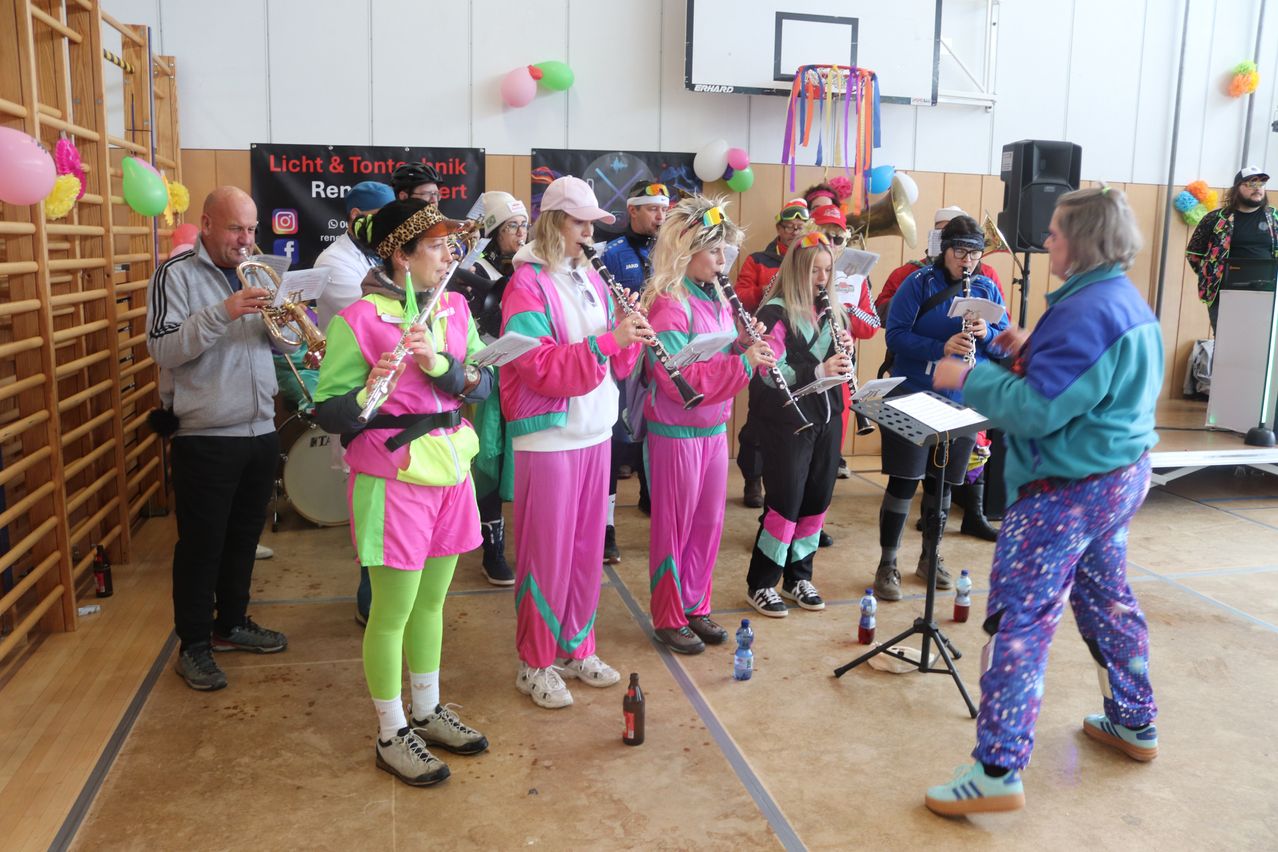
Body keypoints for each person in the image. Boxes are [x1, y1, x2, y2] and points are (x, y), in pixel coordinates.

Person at [925, 186, 1163, 816]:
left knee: (1020, 620)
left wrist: (967, 377)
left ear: (1082, 240)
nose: (1047, 240)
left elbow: (1039, 412)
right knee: (1107, 598)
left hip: (1067, 489)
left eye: (1056, 232)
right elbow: (1091, 382)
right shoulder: (1116, 298)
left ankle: (997, 768)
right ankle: (1135, 719)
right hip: (1117, 479)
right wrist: (1023, 349)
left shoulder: (1089, 311)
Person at [312, 198, 492, 787]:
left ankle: (427, 708)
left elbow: (479, 385)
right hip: (393, 476)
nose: (450, 256)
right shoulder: (358, 320)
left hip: (450, 466)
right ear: (401, 255)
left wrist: (439, 364)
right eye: (437, 246)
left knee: (435, 604)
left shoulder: (456, 307)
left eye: (451, 245)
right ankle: (391, 731)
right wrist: (369, 387)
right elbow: (330, 413)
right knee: (391, 613)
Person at [500, 176, 652, 708]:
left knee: (587, 551)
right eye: (580, 222)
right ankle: (535, 662)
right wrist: (610, 338)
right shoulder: (526, 284)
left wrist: (628, 329)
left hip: (595, 430)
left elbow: (614, 360)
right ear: (553, 223)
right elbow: (536, 365)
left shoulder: (588, 276)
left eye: (593, 223)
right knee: (547, 554)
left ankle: (576, 645)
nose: (590, 232)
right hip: (548, 437)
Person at [146, 187, 291, 691]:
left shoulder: (257, 270)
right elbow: (164, 348)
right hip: (206, 435)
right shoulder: (176, 274)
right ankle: (194, 646)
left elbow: (275, 344)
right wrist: (225, 311)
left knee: (244, 540)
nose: (246, 241)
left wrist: (284, 319)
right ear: (206, 224)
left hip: (260, 429)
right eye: (236, 229)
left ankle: (231, 624)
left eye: (252, 229)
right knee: (201, 547)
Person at [640, 196, 773, 652]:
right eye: (715, 251)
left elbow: (719, 358)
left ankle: (696, 606)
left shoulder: (716, 298)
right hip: (675, 432)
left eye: (724, 252)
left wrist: (745, 347)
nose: (722, 262)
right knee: (674, 528)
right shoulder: (668, 304)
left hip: (712, 431)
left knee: (708, 524)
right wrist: (742, 365)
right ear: (686, 249)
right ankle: (669, 614)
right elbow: (679, 381)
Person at [873, 215, 1008, 602]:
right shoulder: (917, 285)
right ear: (943, 250)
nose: (967, 259)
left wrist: (988, 334)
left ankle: (931, 556)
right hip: (914, 395)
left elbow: (1004, 341)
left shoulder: (986, 288)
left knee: (944, 481)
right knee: (904, 479)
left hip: (962, 401)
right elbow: (896, 335)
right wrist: (941, 347)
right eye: (960, 251)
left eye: (974, 252)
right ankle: (888, 563)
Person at [744, 232, 853, 618]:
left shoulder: (833, 313)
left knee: (816, 502)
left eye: (826, 270)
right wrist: (818, 369)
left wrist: (846, 354)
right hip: (788, 423)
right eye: (813, 271)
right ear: (796, 272)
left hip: (827, 419)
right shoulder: (773, 313)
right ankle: (762, 581)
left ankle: (797, 576)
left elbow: (837, 367)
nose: (821, 279)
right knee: (785, 504)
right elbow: (769, 371)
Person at [600, 181, 671, 553]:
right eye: (653, 209)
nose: (661, 216)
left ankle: (651, 495)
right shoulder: (611, 253)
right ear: (633, 211)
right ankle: (607, 526)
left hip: (662, 355)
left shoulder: (673, 253)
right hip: (625, 356)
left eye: (664, 209)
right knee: (616, 435)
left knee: (655, 427)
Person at [470, 190, 529, 586]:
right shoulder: (470, 271)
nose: (522, 234)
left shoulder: (529, 267)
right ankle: (492, 548)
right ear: (491, 231)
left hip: (525, 374)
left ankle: (527, 542)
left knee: (524, 457)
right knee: (489, 461)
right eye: (513, 226)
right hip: (487, 377)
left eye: (526, 225)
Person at [735, 198, 810, 509]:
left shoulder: (809, 258)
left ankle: (788, 483)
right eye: (788, 227)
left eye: (799, 227)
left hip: (800, 345)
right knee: (760, 415)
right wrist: (770, 288)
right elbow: (739, 296)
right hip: (765, 341)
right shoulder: (758, 259)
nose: (793, 232)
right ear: (779, 228)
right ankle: (752, 478)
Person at [811, 204, 881, 487]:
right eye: (822, 236)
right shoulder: (792, 272)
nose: (830, 244)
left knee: (829, 453)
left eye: (837, 238)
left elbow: (872, 326)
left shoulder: (857, 279)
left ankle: (816, 524)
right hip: (803, 372)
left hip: (839, 374)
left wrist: (846, 308)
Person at [1186, 166, 1277, 333]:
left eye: (1261, 184)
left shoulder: (1274, 218)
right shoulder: (1215, 219)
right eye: (1251, 183)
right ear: (1236, 189)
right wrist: (1212, 276)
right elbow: (1194, 254)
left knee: (1261, 345)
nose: (1257, 188)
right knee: (1226, 343)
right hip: (1224, 295)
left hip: (1266, 295)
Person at [315, 180, 397, 332]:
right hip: (350, 352)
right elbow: (372, 316)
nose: (388, 225)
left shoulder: (388, 251)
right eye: (382, 217)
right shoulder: (331, 261)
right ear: (356, 215)